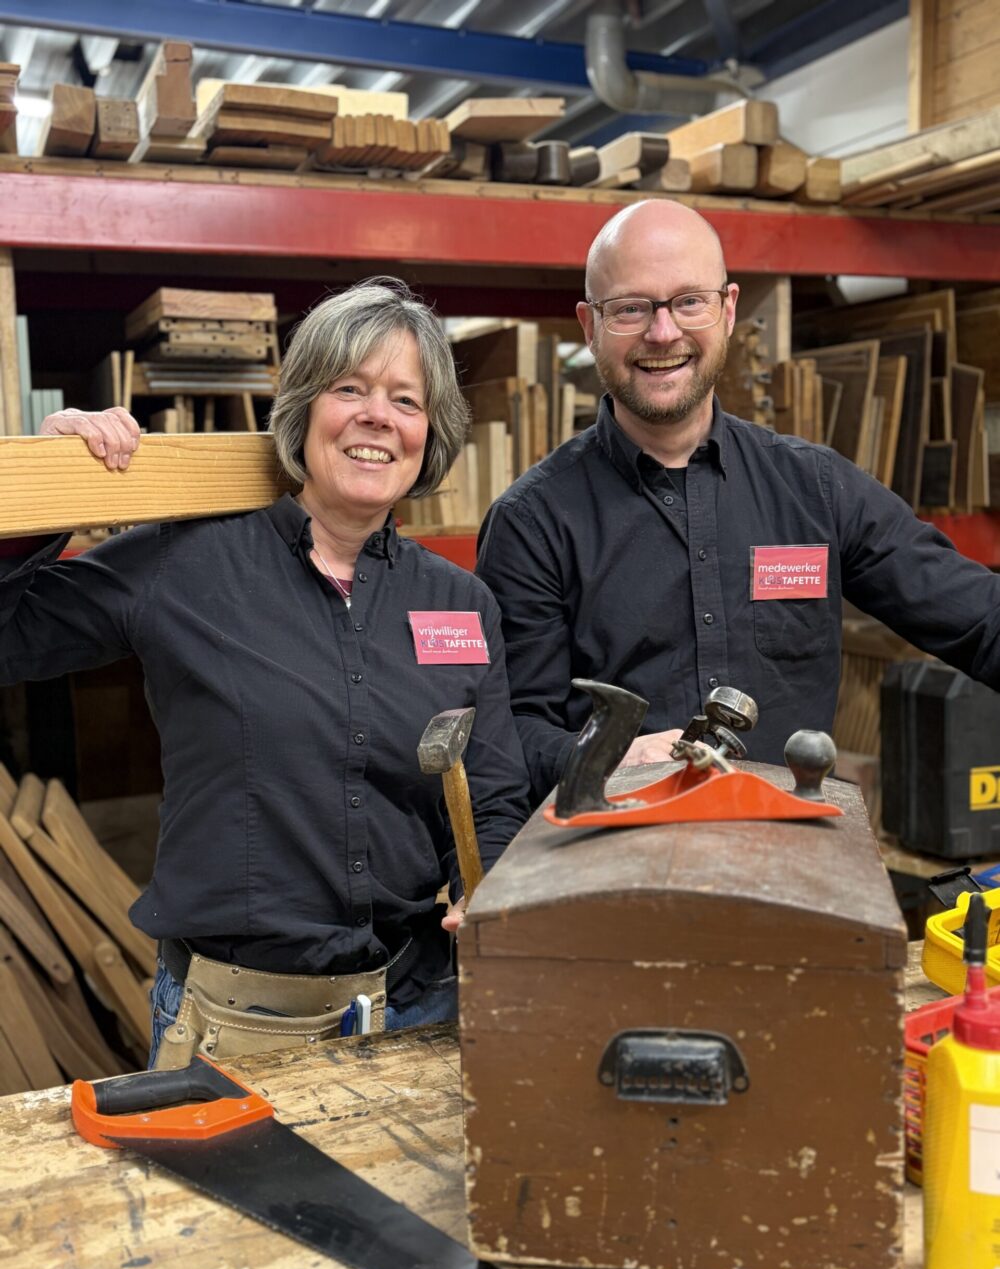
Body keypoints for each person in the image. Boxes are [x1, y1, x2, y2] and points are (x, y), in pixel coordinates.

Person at [1, 277, 530, 1066]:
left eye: (405, 399)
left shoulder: (461, 602)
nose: (376, 415)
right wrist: (45, 493)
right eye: (348, 388)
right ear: (304, 408)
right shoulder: (186, 562)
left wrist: (483, 885)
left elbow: (490, 794)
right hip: (232, 1023)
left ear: (432, 430)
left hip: (420, 1006)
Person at [476, 199, 1000, 803]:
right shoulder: (533, 523)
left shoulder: (817, 490)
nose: (663, 332)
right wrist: (608, 753)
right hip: (616, 872)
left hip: (789, 859)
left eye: (688, 302)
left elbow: (980, 620)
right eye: (630, 309)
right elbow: (510, 732)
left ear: (727, 310)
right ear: (590, 326)